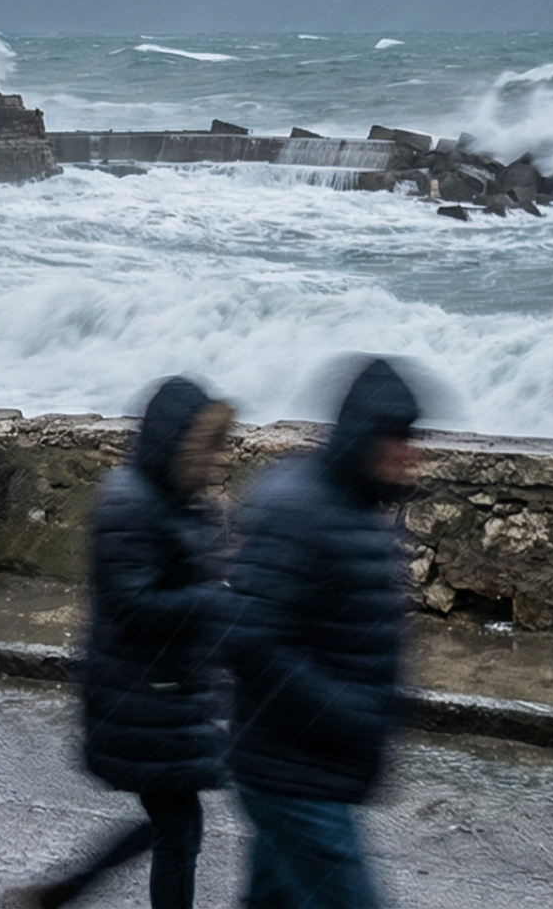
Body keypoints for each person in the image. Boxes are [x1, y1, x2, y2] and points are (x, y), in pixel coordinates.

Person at [22, 377, 237, 909]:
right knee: (179, 827)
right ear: (178, 444)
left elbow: (194, 581)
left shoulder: (180, 501)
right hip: (140, 696)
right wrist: (215, 600)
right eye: (207, 447)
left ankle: (67, 889)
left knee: (173, 824)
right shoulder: (129, 503)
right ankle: (66, 889)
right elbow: (134, 607)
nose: (216, 461)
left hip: (166, 695)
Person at [224, 356, 427, 909]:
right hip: (291, 769)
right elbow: (251, 640)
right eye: (399, 438)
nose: (412, 454)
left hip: (307, 763)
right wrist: (351, 713)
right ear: (366, 436)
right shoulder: (302, 510)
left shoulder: (354, 509)